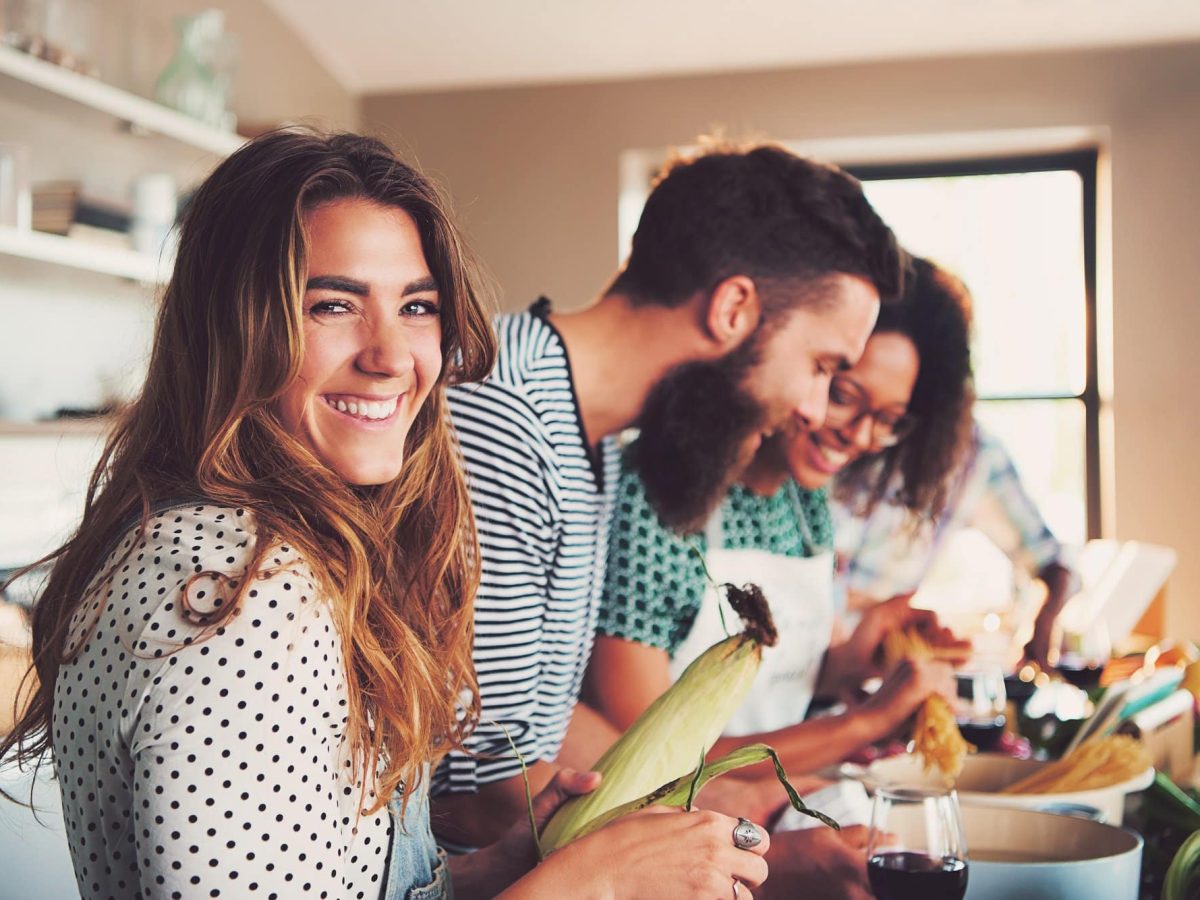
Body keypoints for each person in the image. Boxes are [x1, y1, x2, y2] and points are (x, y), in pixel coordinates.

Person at [0, 130, 771, 900]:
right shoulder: (235, 594)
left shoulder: (288, 557)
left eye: (417, 306)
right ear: (231, 328)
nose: (393, 355)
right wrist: (593, 887)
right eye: (333, 304)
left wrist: (495, 870)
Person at [433, 143, 907, 848]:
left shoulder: (590, 437)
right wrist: (749, 842)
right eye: (820, 366)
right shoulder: (504, 419)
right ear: (733, 307)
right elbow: (476, 789)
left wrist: (744, 801)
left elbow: (547, 720)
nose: (813, 408)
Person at [587, 258, 975, 898]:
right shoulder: (661, 496)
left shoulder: (806, 503)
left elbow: (774, 678)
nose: (857, 434)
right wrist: (867, 721)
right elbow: (645, 756)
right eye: (843, 392)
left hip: (766, 808)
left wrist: (859, 656)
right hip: (666, 840)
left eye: (888, 419)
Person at [833, 417, 1076, 669]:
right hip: (810, 656)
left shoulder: (975, 455)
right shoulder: (848, 424)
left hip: (863, 666)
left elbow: (1050, 558)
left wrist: (1043, 622)